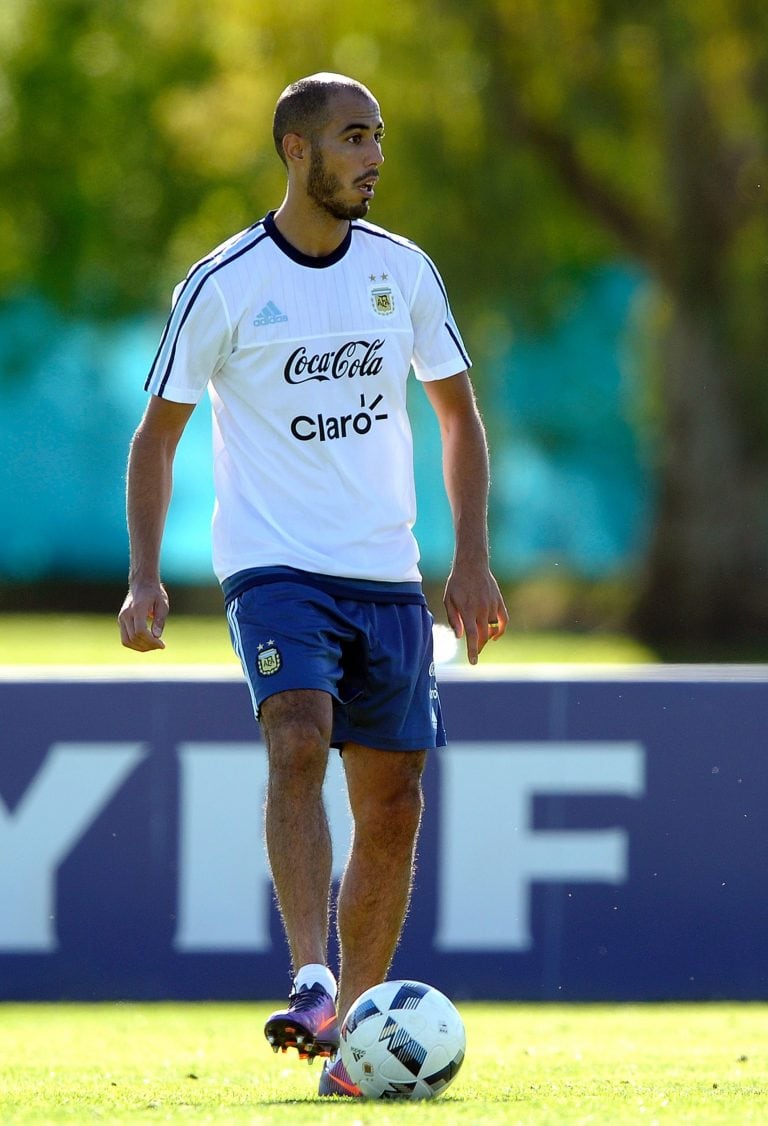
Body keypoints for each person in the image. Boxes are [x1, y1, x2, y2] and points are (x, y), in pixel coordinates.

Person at [119, 71, 508, 1097]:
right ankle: (311, 976)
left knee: (396, 802)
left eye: (378, 135)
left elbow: (459, 417)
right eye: (352, 137)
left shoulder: (404, 273)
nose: (373, 155)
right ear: (297, 150)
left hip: (389, 571)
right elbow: (156, 439)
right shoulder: (225, 281)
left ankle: (356, 1045)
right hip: (275, 566)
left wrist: (470, 558)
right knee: (295, 731)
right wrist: (144, 577)